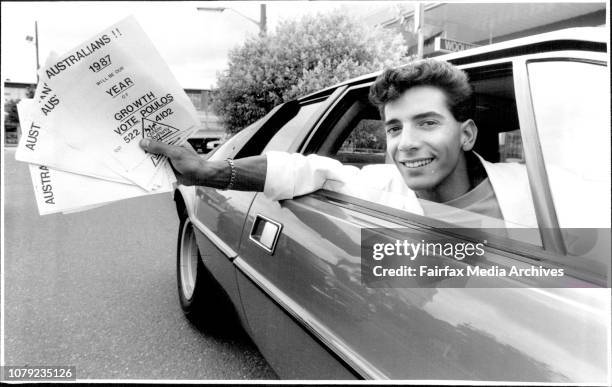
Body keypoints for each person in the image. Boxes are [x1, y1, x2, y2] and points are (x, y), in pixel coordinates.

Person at [139, 59, 537, 228]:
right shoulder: (380, 187)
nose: (407, 144)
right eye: (395, 128)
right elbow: (305, 169)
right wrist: (207, 170)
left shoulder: (536, 190)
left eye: (427, 123)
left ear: (466, 133)